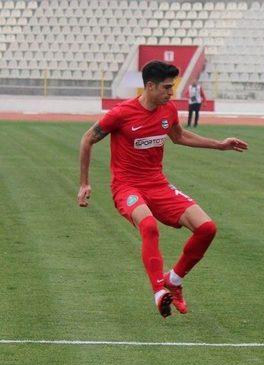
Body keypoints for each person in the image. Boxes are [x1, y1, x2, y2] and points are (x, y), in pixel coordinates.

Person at [77, 60, 248, 318]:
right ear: (150, 86)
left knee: (206, 228)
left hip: (158, 185)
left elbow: (179, 136)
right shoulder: (122, 113)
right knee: (148, 226)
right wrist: (84, 183)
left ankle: (174, 281)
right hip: (127, 186)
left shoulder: (167, 111)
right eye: (167, 88)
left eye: (173, 87)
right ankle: (159, 291)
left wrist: (219, 145)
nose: (171, 93)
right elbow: (88, 138)